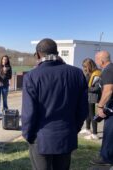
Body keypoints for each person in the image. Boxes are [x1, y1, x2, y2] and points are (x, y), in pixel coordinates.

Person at [21, 38, 88, 170]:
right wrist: (74, 128)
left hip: (40, 138)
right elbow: (83, 109)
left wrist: (28, 135)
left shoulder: (32, 76)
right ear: (56, 52)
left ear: (38, 54)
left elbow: (29, 113)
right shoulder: (77, 73)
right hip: (66, 134)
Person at [90, 50, 113, 166]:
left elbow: (108, 90)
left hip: (111, 108)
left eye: (97, 59)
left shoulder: (108, 70)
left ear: (102, 60)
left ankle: (106, 158)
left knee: (109, 133)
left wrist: (100, 106)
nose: (96, 61)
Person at [80, 58, 101, 140]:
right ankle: (88, 129)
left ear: (89, 66)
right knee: (88, 113)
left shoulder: (97, 74)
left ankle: (95, 134)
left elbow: (97, 88)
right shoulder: (89, 73)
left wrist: (86, 89)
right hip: (88, 95)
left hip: (93, 96)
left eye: (85, 67)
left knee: (92, 114)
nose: (84, 68)